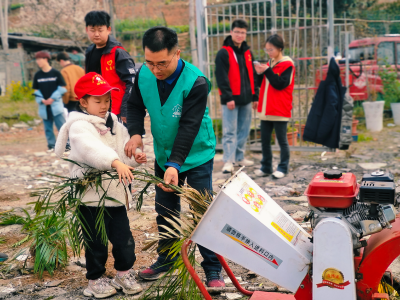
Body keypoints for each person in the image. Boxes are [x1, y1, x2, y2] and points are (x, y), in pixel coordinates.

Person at [125, 26, 225, 287]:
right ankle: (168, 259)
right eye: (149, 62)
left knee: (202, 210)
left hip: (196, 154)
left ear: (177, 53)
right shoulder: (143, 74)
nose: (155, 69)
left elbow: (189, 126)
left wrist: (175, 165)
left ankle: (213, 268)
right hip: (164, 154)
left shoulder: (196, 81)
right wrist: (135, 134)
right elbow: (134, 105)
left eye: (162, 63)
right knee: (165, 209)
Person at [55, 72, 147, 298]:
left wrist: (134, 157)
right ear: (84, 102)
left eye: (108, 100)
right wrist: (115, 162)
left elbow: (124, 149)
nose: (104, 105)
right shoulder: (79, 127)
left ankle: (123, 273)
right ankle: (95, 279)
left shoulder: (115, 123)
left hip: (114, 194)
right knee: (95, 241)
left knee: (123, 238)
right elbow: (90, 149)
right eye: (98, 101)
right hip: (90, 196)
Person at [215, 19, 259, 174]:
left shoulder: (248, 53)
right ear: (231, 32)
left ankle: (239, 157)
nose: (240, 35)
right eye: (237, 32)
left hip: (247, 99)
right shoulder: (223, 53)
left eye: (243, 32)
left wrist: (255, 96)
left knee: (244, 130)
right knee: (229, 131)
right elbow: (221, 77)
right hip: (231, 100)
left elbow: (253, 75)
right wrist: (228, 97)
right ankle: (228, 160)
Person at [253, 34, 295, 179]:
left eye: (271, 50)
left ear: (280, 48)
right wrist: (259, 73)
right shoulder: (270, 63)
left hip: (279, 108)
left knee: (282, 140)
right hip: (266, 108)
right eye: (267, 50)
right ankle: (266, 166)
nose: (269, 53)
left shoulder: (287, 64)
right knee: (265, 139)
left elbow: (279, 84)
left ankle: (283, 167)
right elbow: (263, 82)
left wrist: (267, 71)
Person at [84, 10, 136, 123]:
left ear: (108, 29)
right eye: (92, 30)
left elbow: (132, 81)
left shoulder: (118, 53)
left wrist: (125, 109)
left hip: (116, 109)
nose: (96, 34)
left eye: (100, 30)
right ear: (87, 30)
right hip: (97, 109)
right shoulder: (89, 52)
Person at [33, 51, 67, 153]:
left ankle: (66, 145)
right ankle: (51, 146)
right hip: (44, 106)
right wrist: (42, 100)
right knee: (48, 128)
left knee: (62, 127)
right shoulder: (37, 75)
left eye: (39, 59)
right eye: (37, 59)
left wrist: (52, 98)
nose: (37, 62)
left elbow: (62, 87)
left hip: (56, 106)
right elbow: (36, 90)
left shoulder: (56, 73)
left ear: (46, 59)